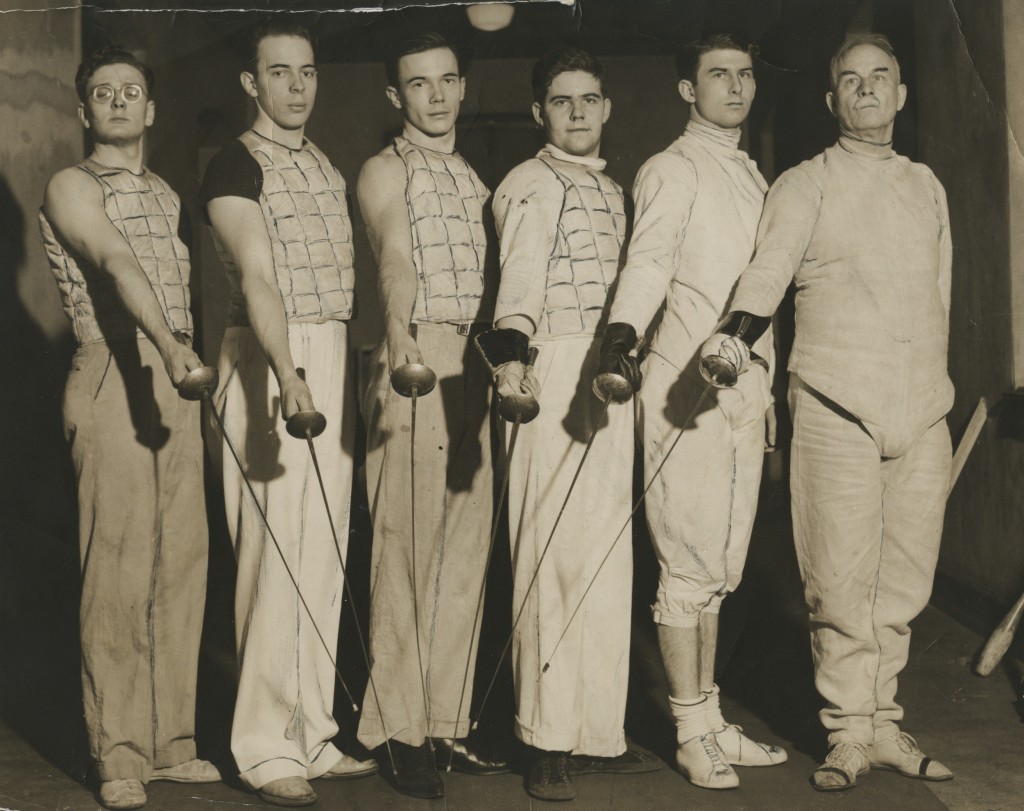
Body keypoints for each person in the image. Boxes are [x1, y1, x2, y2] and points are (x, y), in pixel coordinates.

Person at [700, 33, 954, 791]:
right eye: (852, 80)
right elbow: (769, 270)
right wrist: (734, 338)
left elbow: (939, 296)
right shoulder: (805, 183)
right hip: (835, 406)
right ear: (832, 99)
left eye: (882, 79)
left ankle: (882, 723)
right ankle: (846, 731)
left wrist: (931, 394)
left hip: (920, 414)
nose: (868, 91)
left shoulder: (925, 185)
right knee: (840, 585)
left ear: (901, 95)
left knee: (903, 586)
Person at [601, 33, 788, 790]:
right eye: (718, 75)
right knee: (686, 566)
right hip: (687, 396)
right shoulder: (673, 168)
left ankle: (710, 718)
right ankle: (687, 726)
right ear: (688, 90)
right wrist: (620, 338)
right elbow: (647, 262)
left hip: (745, 395)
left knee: (717, 572)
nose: (736, 87)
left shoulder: (747, 171)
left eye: (745, 74)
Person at [39, 45, 220, 810]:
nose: (118, 101)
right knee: (115, 570)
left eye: (132, 92)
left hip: (177, 381)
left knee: (180, 562)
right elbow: (114, 259)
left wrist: (187, 363)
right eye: (103, 92)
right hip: (116, 369)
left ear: (150, 109)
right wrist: (173, 345)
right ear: (85, 111)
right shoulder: (71, 185)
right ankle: (117, 751)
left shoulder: (169, 192)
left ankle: (170, 742)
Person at [479, 45, 661, 801]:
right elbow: (519, 272)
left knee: (603, 556)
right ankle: (546, 738)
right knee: (549, 556)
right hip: (548, 369)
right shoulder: (529, 181)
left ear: (607, 108)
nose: (579, 112)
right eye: (562, 101)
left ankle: (595, 730)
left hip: (608, 375)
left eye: (590, 98)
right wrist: (514, 355)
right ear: (539, 113)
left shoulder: (615, 188)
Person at [199, 19, 374, 807]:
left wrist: (326, 367)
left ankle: (312, 727)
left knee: (323, 552)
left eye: (306, 71)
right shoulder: (234, 163)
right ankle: (262, 742)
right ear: (251, 83)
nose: (297, 86)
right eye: (279, 72)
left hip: (329, 348)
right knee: (273, 554)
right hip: (272, 354)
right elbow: (261, 277)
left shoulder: (325, 163)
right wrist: (287, 374)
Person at [355, 30, 506, 800]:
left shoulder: (475, 176)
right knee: (404, 551)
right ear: (396, 97)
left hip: (471, 365)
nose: (438, 96)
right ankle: (394, 728)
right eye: (420, 84)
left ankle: (446, 721)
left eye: (448, 81)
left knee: (462, 554)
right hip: (414, 357)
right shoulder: (386, 170)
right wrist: (402, 330)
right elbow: (395, 253)